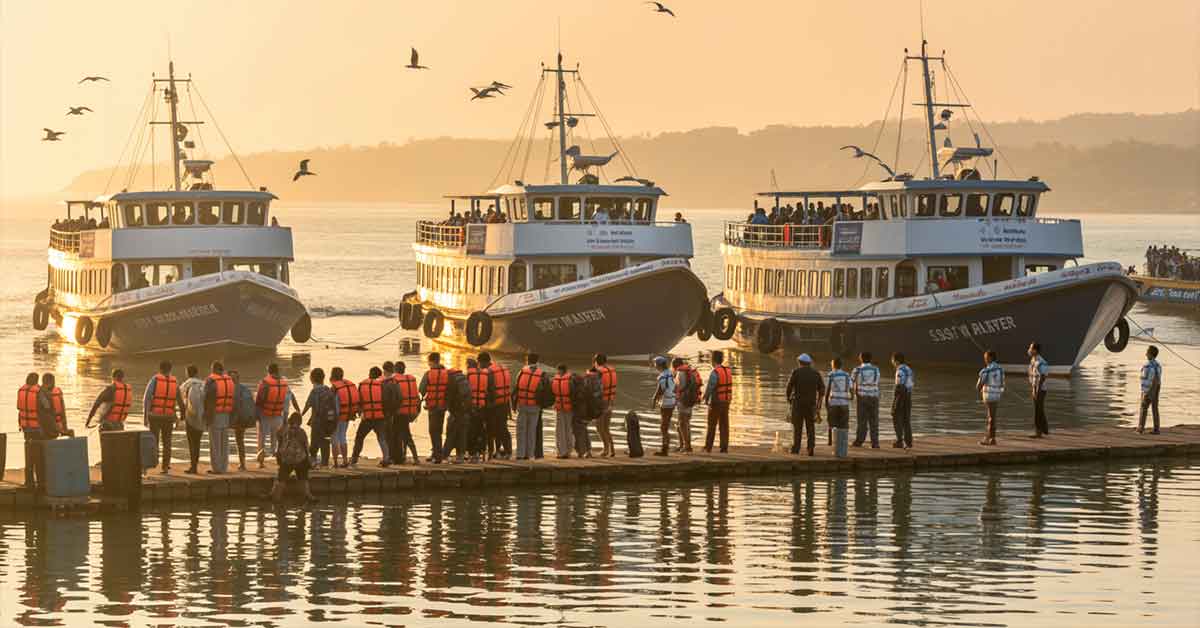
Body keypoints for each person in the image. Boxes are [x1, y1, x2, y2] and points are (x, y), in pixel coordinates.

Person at [255, 363, 299, 468]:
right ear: (278, 370)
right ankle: (277, 461)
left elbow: (259, 400)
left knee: (261, 439)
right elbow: (289, 399)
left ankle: (261, 463)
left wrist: (256, 415)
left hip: (265, 415)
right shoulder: (284, 383)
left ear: (268, 371)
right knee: (276, 440)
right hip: (278, 415)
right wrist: (292, 413)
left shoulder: (265, 383)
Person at [270, 412, 315, 504]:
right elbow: (306, 447)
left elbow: (279, 444)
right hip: (300, 459)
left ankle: (276, 500)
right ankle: (308, 496)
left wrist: (279, 457)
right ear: (300, 422)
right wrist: (308, 460)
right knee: (303, 479)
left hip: (286, 460)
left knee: (281, 480)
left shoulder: (283, 430)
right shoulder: (301, 432)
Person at [785, 354, 824, 455]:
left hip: (798, 404)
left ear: (799, 362)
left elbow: (789, 387)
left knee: (797, 427)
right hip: (811, 404)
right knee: (810, 427)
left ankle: (796, 449)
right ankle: (810, 448)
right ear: (809, 363)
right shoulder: (816, 373)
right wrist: (819, 405)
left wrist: (789, 399)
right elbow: (822, 390)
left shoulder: (796, 372)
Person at [512, 353, 549, 460]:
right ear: (537, 361)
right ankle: (530, 454)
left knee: (521, 430)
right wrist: (542, 405)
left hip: (522, 405)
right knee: (532, 431)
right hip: (535, 407)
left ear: (527, 361)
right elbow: (547, 391)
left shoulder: (522, 372)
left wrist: (514, 406)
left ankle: (520, 454)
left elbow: (516, 389)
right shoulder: (542, 374)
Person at [352, 366, 390, 467]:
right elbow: (385, 401)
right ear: (379, 375)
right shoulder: (382, 385)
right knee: (382, 438)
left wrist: (359, 412)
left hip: (367, 417)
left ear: (370, 374)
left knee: (359, 437)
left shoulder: (362, 384)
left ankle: (354, 458)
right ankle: (386, 458)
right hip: (379, 417)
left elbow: (358, 400)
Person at [203, 361, 235, 474]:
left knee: (215, 443)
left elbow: (206, 398)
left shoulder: (211, 381)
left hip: (214, 415)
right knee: (224, 443)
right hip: (226, 415)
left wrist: (205, 416)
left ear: (215, 369)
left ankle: (217, 468)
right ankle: (224, 467)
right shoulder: (229, 381)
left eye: (212, 369)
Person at [303, 367, 339, 467]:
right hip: (328, 422)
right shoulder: (328, 390)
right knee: (325, 442)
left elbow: (308, 405)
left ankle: (312, 462)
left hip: (316, 422)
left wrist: (300, 415)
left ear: (312, 379)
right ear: (323, 378)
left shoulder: (314, 392)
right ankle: (325, 463)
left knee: (314, 443)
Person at [419, 352, 449, 463]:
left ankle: (437, 456)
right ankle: (437, 453)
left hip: (432, 406)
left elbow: (421, 389)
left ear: (431, 361)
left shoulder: (428, 374)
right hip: (442, 406)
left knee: (432, 431)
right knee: (439, 430)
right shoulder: (447, 373)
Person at [483, 353, 514, 459]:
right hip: (504, 404)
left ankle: (492, 452)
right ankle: (507, 451)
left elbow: (489, 390)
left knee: (491, 430)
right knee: (502, 429)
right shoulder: (501, 369)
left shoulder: (489, 372)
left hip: (494, 406)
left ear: (483, 362)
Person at [17, 373, 45, 489]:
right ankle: (41, 481)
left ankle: (29, 481)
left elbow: (19, 407)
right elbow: (46, 406)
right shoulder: (39, 392)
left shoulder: (21, 390)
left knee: (29, 454)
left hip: (25, 428)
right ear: (36, 381)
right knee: (39, 455)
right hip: (37, 429)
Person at [702, 350, 733, 453]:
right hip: (726, 401)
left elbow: (710, 387)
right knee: (724, 425)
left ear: (713, 360)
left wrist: (705, 398)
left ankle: (708, 447)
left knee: (712, 425)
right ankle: (724, 447)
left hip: (716, 402)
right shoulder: (728, 370)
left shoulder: (715, 372)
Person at [391, 361, 421, 464]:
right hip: (411, 412)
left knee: (402, 435)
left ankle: (412, 458)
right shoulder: (411, 379)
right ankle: (405, 456)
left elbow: (395, 398)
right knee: (405, 434)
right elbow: (418, 397)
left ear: (395, 370)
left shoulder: (394, 380)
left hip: (399, 413)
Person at [329, 366, 360, 468]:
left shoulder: (334, 388)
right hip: (347, 415)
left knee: (334, 439)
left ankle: (335, 462)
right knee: (342, 437)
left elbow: (331, 404)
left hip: (336, 417)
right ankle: (345, 460)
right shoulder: (348, 384)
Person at [850, 352, 881, 448]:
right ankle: (875, 443)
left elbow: (851, 383)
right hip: (874, 397)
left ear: (861, 359)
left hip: (862, 397)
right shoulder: (876, 369)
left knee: (862, 420)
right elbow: (877, 382)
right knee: (874, 421)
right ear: (871, 359)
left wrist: (852, 395)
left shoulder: (857, 370)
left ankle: (859, 441)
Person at [466, 357, 494, 462]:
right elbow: (489, 391)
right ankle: (482, 451)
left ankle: (473, 453)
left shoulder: (468, 375)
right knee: (481, 430)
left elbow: (465, 392)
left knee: (471, 431)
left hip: (472, 407)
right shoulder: (485, 375)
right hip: (483, 407)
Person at [441, 365, 471, 464]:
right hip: (465, 410)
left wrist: (448, 408)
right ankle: (460, 456)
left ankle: (445, 455)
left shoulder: (450, 379)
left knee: (451, 434)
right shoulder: (463, 378)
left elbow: (449, 397)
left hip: (456, 412)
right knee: (462, 434)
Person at [180, 365, 206, 474]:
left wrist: (181, 416)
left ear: (187, 373)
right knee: (197, 442)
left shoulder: (185, 385)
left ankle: (193, 466)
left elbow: (182, 401)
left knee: (192, 443)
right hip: (201, 417)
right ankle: (195, 465)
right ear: (197, 373)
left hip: (190, 417)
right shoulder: (203, 384)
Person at [672, 357, 701, 453]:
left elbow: (678, 387)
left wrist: (674, 392)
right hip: (691, 400)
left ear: (674, 366)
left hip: (683, 400)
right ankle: (684, 445)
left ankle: (686, 446)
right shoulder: (690, 371)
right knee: (686, 423)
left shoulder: (680, 373)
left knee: (682, 423)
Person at [229, 370, 257, 471]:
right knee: (240, 440)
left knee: (239, 440)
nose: (232, 380)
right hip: (246, 418)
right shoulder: (246, 389)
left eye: (233, 378)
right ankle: (242, 463)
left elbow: (234, 406)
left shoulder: (232, 389)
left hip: (238, 419)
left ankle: (242, 464)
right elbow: (252, 404)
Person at [976, 350, 1004, 446]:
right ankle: (991, 437)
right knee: (992, 416)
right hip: (997, 395)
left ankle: (991, 438)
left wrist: (979, 389)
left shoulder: (986, 370)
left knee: (990, 418)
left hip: (989, 395)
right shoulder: (1000, 369)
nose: (985, 359)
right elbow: (1002, 383)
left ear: (990, 358)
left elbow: (979, 385)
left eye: (986, 357)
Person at [824, 358, 852, 451]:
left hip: (834, 403)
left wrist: (826, 403)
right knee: (844, 425)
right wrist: (850, 398)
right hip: (844, 403)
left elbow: (827, 391)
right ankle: (843, 443)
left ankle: (831, 443)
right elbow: (851, 390)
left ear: (833, 365)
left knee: (831, 423)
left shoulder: (831, 375)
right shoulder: (847, 375)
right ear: (841, 365)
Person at [593, 353, 618, 457]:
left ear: (596, 362)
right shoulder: (612, 370)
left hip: (602, 403)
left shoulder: (599, 372)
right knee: (606, 427)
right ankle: (612, 449)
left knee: (599, 427)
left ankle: (606, 449)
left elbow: (595, 388)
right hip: (610, 401)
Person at [549, 364, 576, 458]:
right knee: (568, 429)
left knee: (560, 431)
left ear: (558, 370)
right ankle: (568, 451)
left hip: (560, 408)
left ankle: (561, 452)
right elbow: (574, 394)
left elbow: (551, 394)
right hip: (569, 408)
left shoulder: (553, 380)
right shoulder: (571, 380)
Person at [651, 356, 676, 457]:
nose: (654, 366)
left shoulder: (662, 376)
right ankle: (665, 447)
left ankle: (664, 449)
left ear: (659, 365)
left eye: (655, 364)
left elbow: (659, 391)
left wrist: (654, 401)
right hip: (672, 401)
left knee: (663, 427)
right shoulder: (670, 373)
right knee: (665, 425)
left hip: (666, 403)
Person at [1137, 345, 1162, 434]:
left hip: (1149, 388)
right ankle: (1156, 428)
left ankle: (1140, 428)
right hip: (1157, 387)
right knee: (1155, 407)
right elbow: (1158, 377)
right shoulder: (1158, 365)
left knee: (1144, 407)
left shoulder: (1147, 366)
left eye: (1147, 352)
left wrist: (1144, 391)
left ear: (1151, 354)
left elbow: (1145, 379)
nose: (1146, 354)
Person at [1027, 343, 1050, 438]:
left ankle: (1039, 431)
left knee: (1038, 410)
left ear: (1035, 350)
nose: (1029, 350)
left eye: (1030, 348)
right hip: (1035, 387)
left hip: (1040, 389)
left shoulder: (1041, 361)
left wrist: (1037, 390)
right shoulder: (1033, 360)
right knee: (1038, 409)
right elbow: (1033, 376)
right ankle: (1044, 429)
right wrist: (1033, 388)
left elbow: (1043, 376)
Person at [891, 353, 914, 449]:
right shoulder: (909, 369)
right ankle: (908, 442)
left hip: (901, 395)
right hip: (908, 395)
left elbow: (899, 385)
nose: (892, 362)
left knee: (895, 416)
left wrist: (895, 400)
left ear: (896, 361)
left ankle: (899, 441)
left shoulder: (900, 370)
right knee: (906, 419)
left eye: (892, 360)